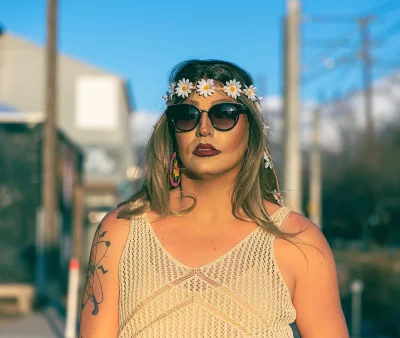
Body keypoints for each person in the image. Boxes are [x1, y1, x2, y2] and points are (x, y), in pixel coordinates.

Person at [79, 59, 349, 338]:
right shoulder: (121, 231)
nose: (204, 129)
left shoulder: (297, 239)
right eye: (187, 115)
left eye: (224, 114)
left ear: (251, 130)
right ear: (172, 131)